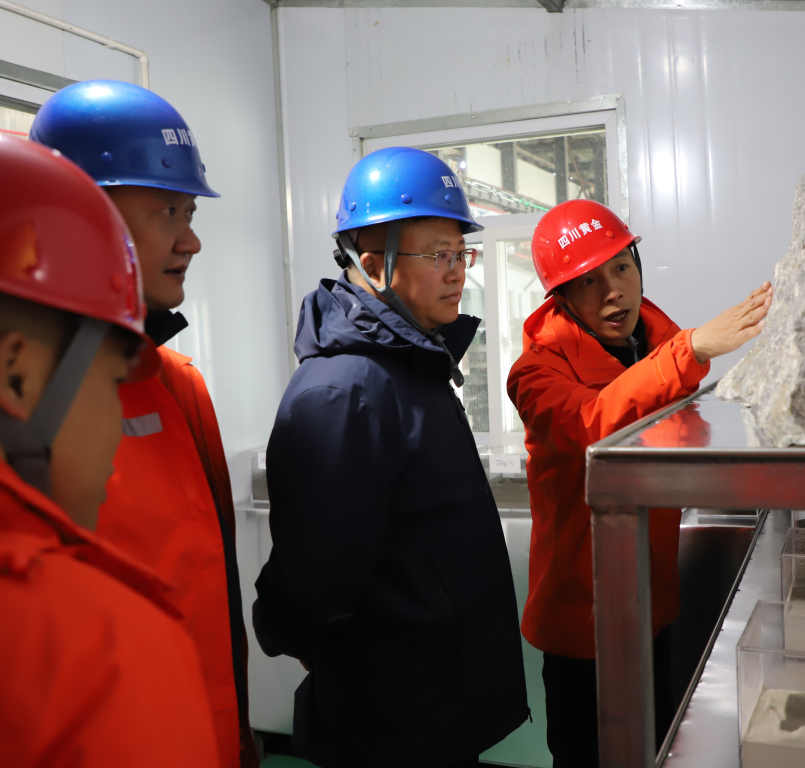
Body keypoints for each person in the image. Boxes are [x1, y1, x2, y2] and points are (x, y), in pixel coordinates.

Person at [0, 129, 220, 767]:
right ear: (16, 376)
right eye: (111, 382)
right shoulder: (98, 655)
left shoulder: (183, 387)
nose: (189, 240)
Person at [253, 147, 528, 768]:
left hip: (433, 707)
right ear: (373, 265)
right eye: (439, 256)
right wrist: (302, 636)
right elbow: (316, 580)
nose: (458, 273)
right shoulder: (345, 392)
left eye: (461, 254)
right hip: (391, 718)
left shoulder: (409, 366)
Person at [29, 81, 257, 768]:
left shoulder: (180, 386)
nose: (191, 240)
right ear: (79, 216)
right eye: (167, 211)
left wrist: (237, 735)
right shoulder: (17, 404)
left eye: (189, 211)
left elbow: (217, 593)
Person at [507, 199, 772, 767]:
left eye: (622, 268)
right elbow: (591, 424)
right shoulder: (534, 374)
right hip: (582, 624)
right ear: (560, 298)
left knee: (652, 751)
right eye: (588, 281)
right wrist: (691, 349)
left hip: (651, 605)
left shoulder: (653, 345)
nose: (613, 292)